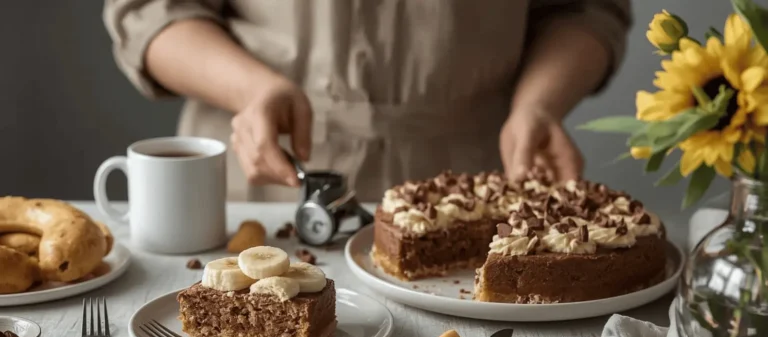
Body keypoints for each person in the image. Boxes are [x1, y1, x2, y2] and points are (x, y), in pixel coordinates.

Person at [104, 0, 631, 202]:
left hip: (476, 183)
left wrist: (538, 105)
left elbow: (583, 10)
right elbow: (151, 12)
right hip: (261, 182)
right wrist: (254, 90)